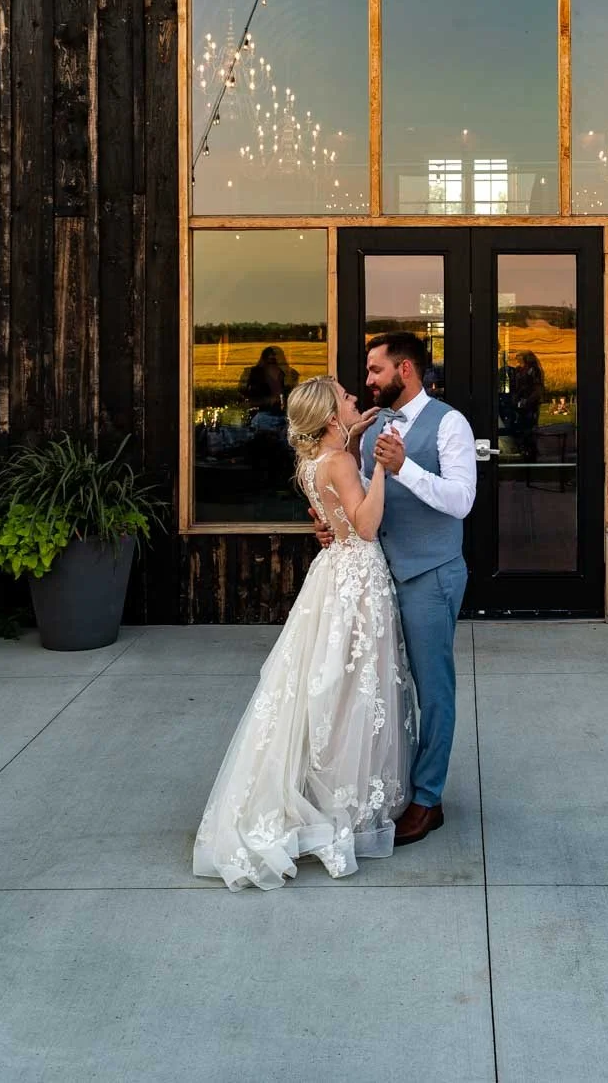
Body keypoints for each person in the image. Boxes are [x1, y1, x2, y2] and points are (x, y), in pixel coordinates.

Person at [192, 377, 414, 890]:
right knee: (356, 687)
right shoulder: (338, 462)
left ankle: (323, 787)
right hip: (358, 576)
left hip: (332, 574)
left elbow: (335, 501)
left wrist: (355, 440)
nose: (354, 397)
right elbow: (364, 526)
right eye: (345, 398)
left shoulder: (313, 462)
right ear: (332, 416)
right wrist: (381, 467)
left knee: (327, 684)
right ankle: (345, 797)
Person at [313, 331, 477, 848]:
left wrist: (406, 467)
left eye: (375, 371)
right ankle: (391, 784)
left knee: (434, 688)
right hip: (379, 577)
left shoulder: (450, 423)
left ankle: (428, 800)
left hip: (430, 575)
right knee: (385, 686)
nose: (367, 381)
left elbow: (461, 500)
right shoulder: (374, 424)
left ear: (405, 370)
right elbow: (361, 501)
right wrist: (334, 525)